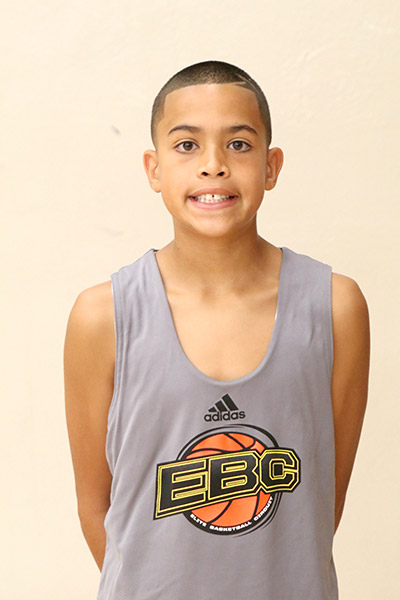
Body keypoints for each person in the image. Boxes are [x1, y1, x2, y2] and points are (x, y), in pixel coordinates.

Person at [64, 60, 370, 599]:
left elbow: (323, 500)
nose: (213, 165)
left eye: (239, 144)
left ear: (271, 166)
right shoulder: (102, 316)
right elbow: (97, 506)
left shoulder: (334, 307)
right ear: (154, 169)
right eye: (187, 145)